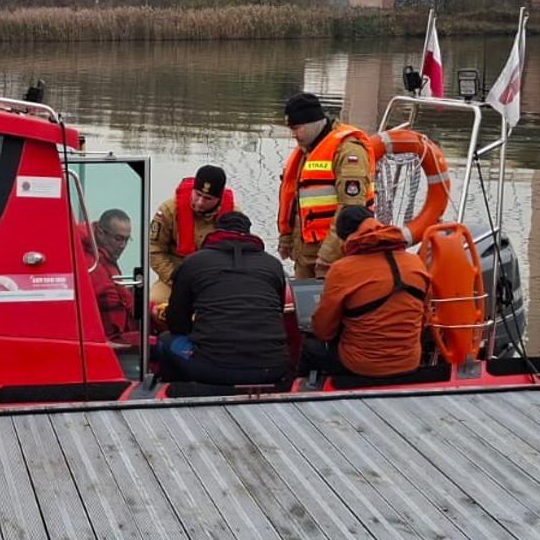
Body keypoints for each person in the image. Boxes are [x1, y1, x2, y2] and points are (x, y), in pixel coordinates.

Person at [157, 211, 292, 385]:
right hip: (273, 367)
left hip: (213, 369)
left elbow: (177, 323)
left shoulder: (193, 263)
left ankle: (177, 391)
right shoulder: (273, 265)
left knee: (165, 341)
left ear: (216, 231)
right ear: (249, 233)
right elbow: (277, 313)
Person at [306, 206, 432, 378]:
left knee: (310, 346)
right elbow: (424, 318)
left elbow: (323, 331)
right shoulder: (416, 263)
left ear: (346, 238)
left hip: (360, 366)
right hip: (409, 362)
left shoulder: (341, 270)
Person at [276, 92, 375, 281]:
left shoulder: (349, 151)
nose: (293, 135)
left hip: (335, 257)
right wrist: (286, 239)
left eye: (296, 128)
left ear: (313, 123)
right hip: (306, 256)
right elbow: (296, 200)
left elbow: (351, 209)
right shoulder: (307, 150)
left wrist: (329, 254)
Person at [147, 164, 235, 307]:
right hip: (175, 275)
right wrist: (176, 279)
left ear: (219, 199)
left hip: (215, 279)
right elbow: (154, 250)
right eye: (198, 195)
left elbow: (239, 256)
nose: (200, 202)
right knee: (155, 302)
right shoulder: (168, 211)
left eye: (207, 198)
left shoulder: (233, 216)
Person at [86, 209, 140, 352]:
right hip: (108, 340)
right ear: (100, 233)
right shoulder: (91, 263)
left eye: (126, 240)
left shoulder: (104, 257)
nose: (123, 246)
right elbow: (107, 301)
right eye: (118, 238)